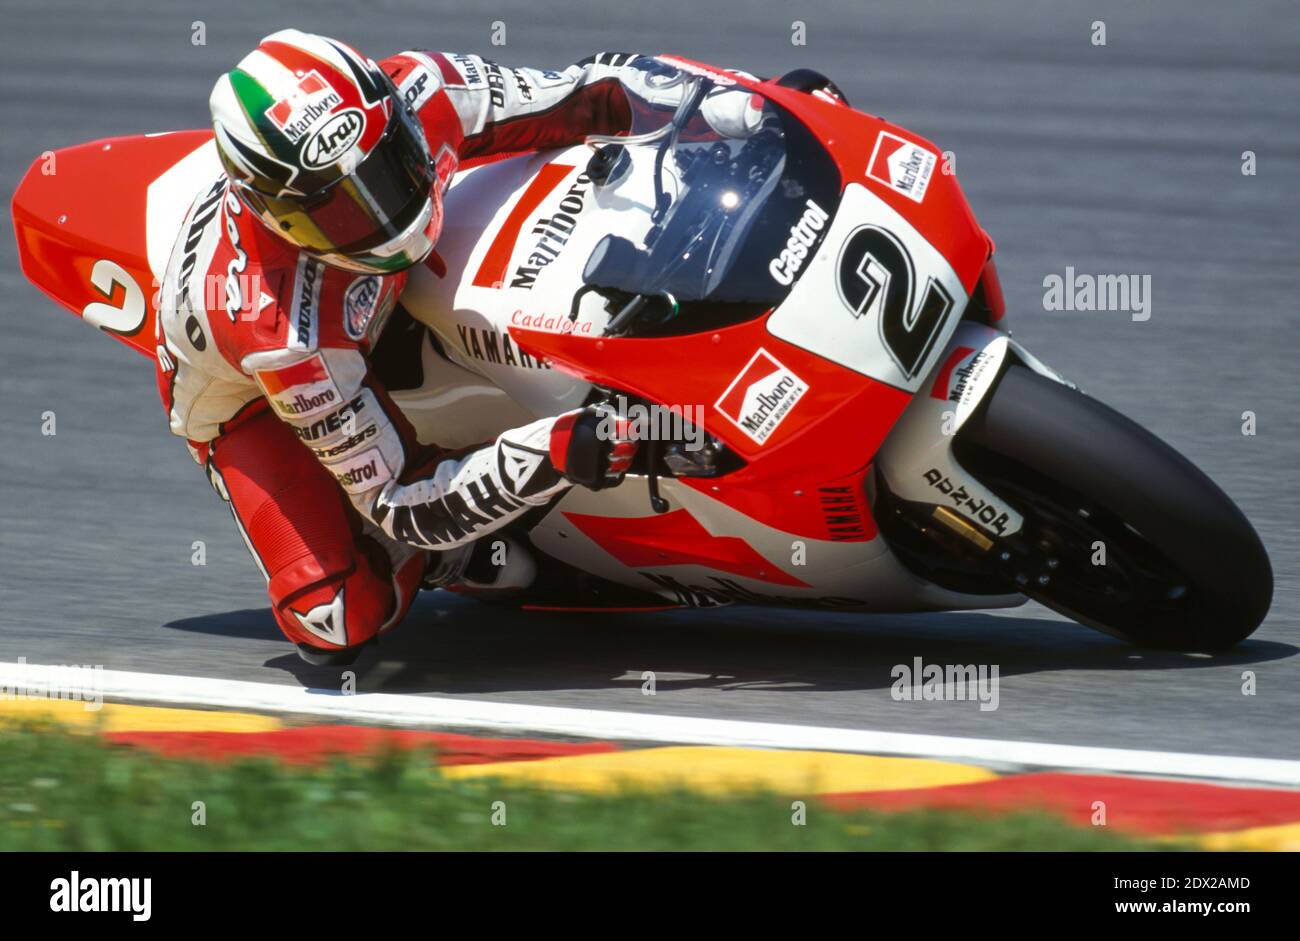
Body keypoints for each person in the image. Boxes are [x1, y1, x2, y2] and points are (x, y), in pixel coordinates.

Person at [155, 30, 653, 664]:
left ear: (393, 116)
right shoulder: (282, 334)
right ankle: (447, 565)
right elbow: (400, 505)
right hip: (251, 401)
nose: (385, 217)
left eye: (389, 168)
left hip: (364, 314)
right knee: (338, 615)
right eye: (337, 213)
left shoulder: (426, 87)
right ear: (275, 215)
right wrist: (554, 452)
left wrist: (754, 109)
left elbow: (595, 95)